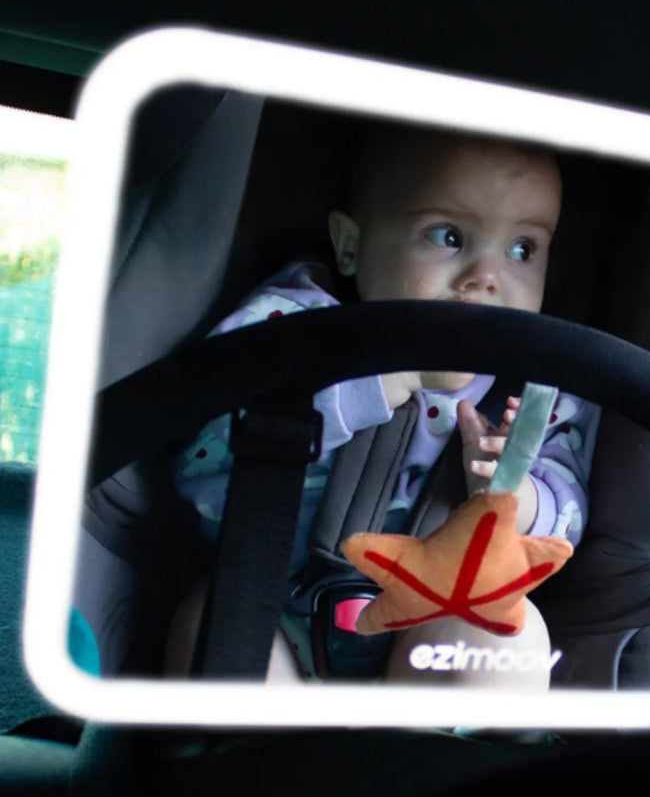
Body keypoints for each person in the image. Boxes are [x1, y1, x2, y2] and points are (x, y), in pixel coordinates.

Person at [167, 126, 599, 685]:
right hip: (271, 602)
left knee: (512, 647)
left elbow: (568, 517)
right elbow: (196, 453)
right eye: (447, 236)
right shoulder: (287, 328)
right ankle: (254, 763)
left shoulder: (538, 386)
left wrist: (521, 496)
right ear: (351, 245)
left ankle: (434, 766)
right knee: (210, 631)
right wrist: (368, 384)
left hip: (442, 625)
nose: (486, 278)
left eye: (522, 250)